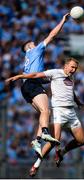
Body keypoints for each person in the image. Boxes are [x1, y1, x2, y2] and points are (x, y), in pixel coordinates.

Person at [6, 57, 84, 176]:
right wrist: (20, 76)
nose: (74, 70)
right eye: (72, 67)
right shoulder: (55, 72)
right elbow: (35, 75)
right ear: (65, 66)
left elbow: (70, 90)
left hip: (71, 113)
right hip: (59, 111)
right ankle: (36, 164)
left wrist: (78, 101)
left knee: (81, 141)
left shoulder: (71, 77)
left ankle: (62, 152)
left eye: (75, 68)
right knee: (55, 140)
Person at [6, 13, 70, 158]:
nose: (35, 43)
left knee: (43, 112)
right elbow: (52, 35)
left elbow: (37, 74)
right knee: (46, 111)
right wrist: (62, 21)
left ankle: (37, 140)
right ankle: (45, 134)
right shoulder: (35, 50)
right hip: (32, 83)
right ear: (28, 46)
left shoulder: (28, 57)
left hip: (26, 87)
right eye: (32, 42)